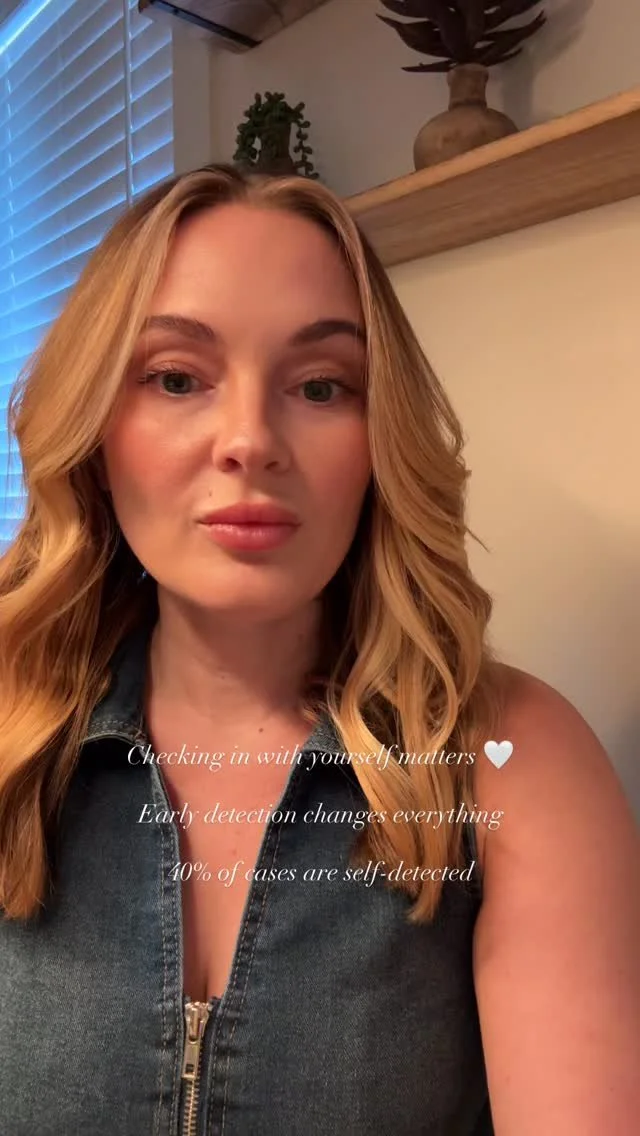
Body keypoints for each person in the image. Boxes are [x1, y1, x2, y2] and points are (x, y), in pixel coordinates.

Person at [0, 163, 637, 1136]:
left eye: (320, 385)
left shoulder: (513, 757)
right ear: (95, 432)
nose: (249, 440)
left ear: (380, 440)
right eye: (177, 378)